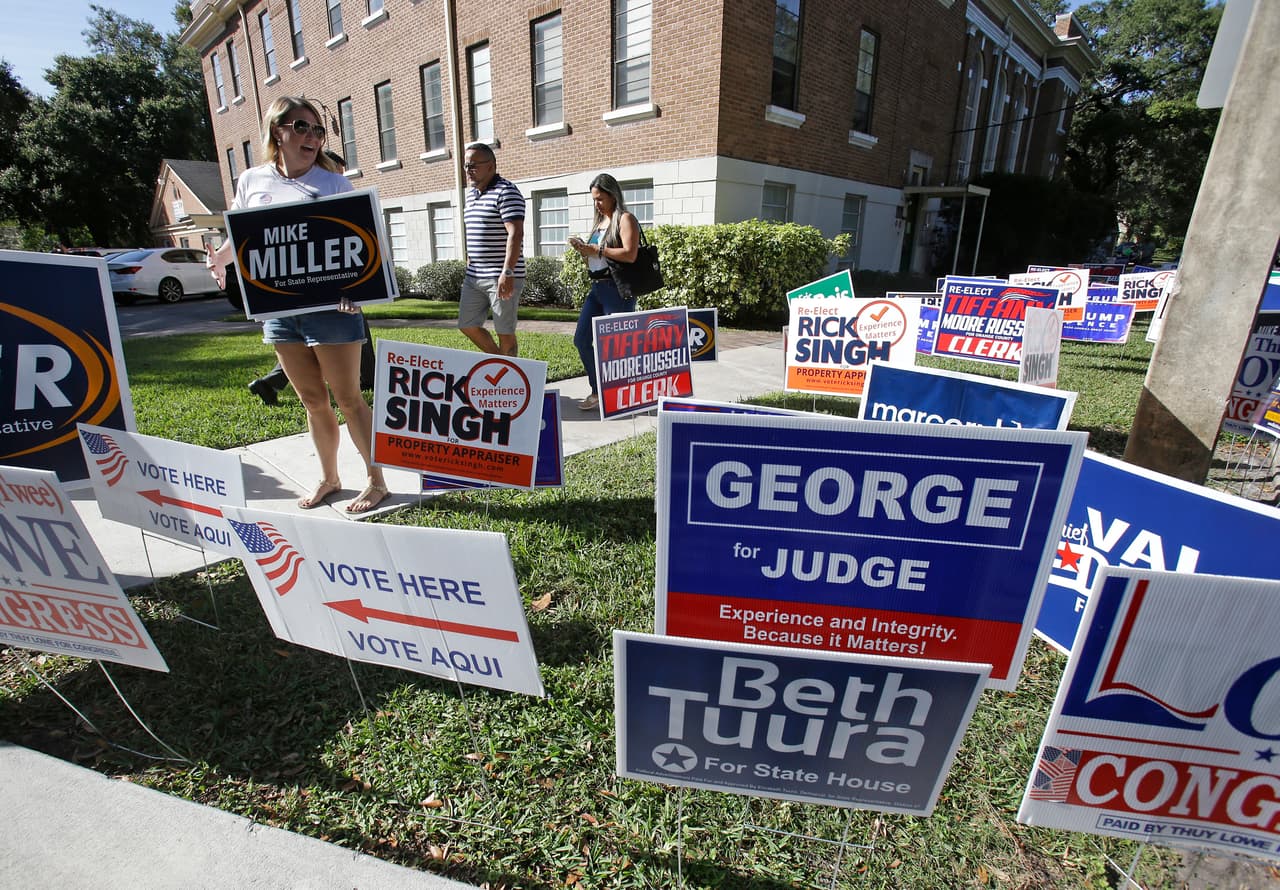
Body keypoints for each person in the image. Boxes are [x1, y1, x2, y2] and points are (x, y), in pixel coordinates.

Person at [209, 95, 389, 515]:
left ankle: (375, 480)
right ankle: (330, 477)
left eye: (317, 129)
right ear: (278, 131)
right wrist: (219, 258)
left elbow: (360, 249)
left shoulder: (333, 184)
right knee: (311, 400)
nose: (312, 136)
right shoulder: (252, 181)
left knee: (349, 399)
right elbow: (242, 235)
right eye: (301, 127)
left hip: (333, 310)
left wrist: (358, 292)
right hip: (278, 311)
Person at [246, 148, 376, 406]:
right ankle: (368, 377)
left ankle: (271, 382)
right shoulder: (303, 210)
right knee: (321, 390)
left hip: (337, 296)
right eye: (336, 173)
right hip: (316, 299)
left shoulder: (339, 197)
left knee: (344, 393)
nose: (341, 180)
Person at [568, 173, 640, 410]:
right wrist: (583, 248)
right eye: (594, 199)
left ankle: (618, 395)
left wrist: (598, 250)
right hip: (597, 288)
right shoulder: (599, 223)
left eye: (600, 198)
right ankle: (598, 390)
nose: (596, 203)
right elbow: (596, 255)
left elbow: (630, 254)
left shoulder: (625, 219)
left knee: (615, 347)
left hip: (616, 289)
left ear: (612, 195)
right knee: (581, 339)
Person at [458, 142, 524, 356]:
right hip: (474, 276)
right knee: (466, 324)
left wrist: (508, 272)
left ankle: (512, 382)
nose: (469, 170)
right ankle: (502, 363)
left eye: (474, 165)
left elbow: (515, 233)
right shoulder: (471, 195)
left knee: (505, 332)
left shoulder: (506, 192)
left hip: (500, 276)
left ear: (491, 165)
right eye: (466, 166)